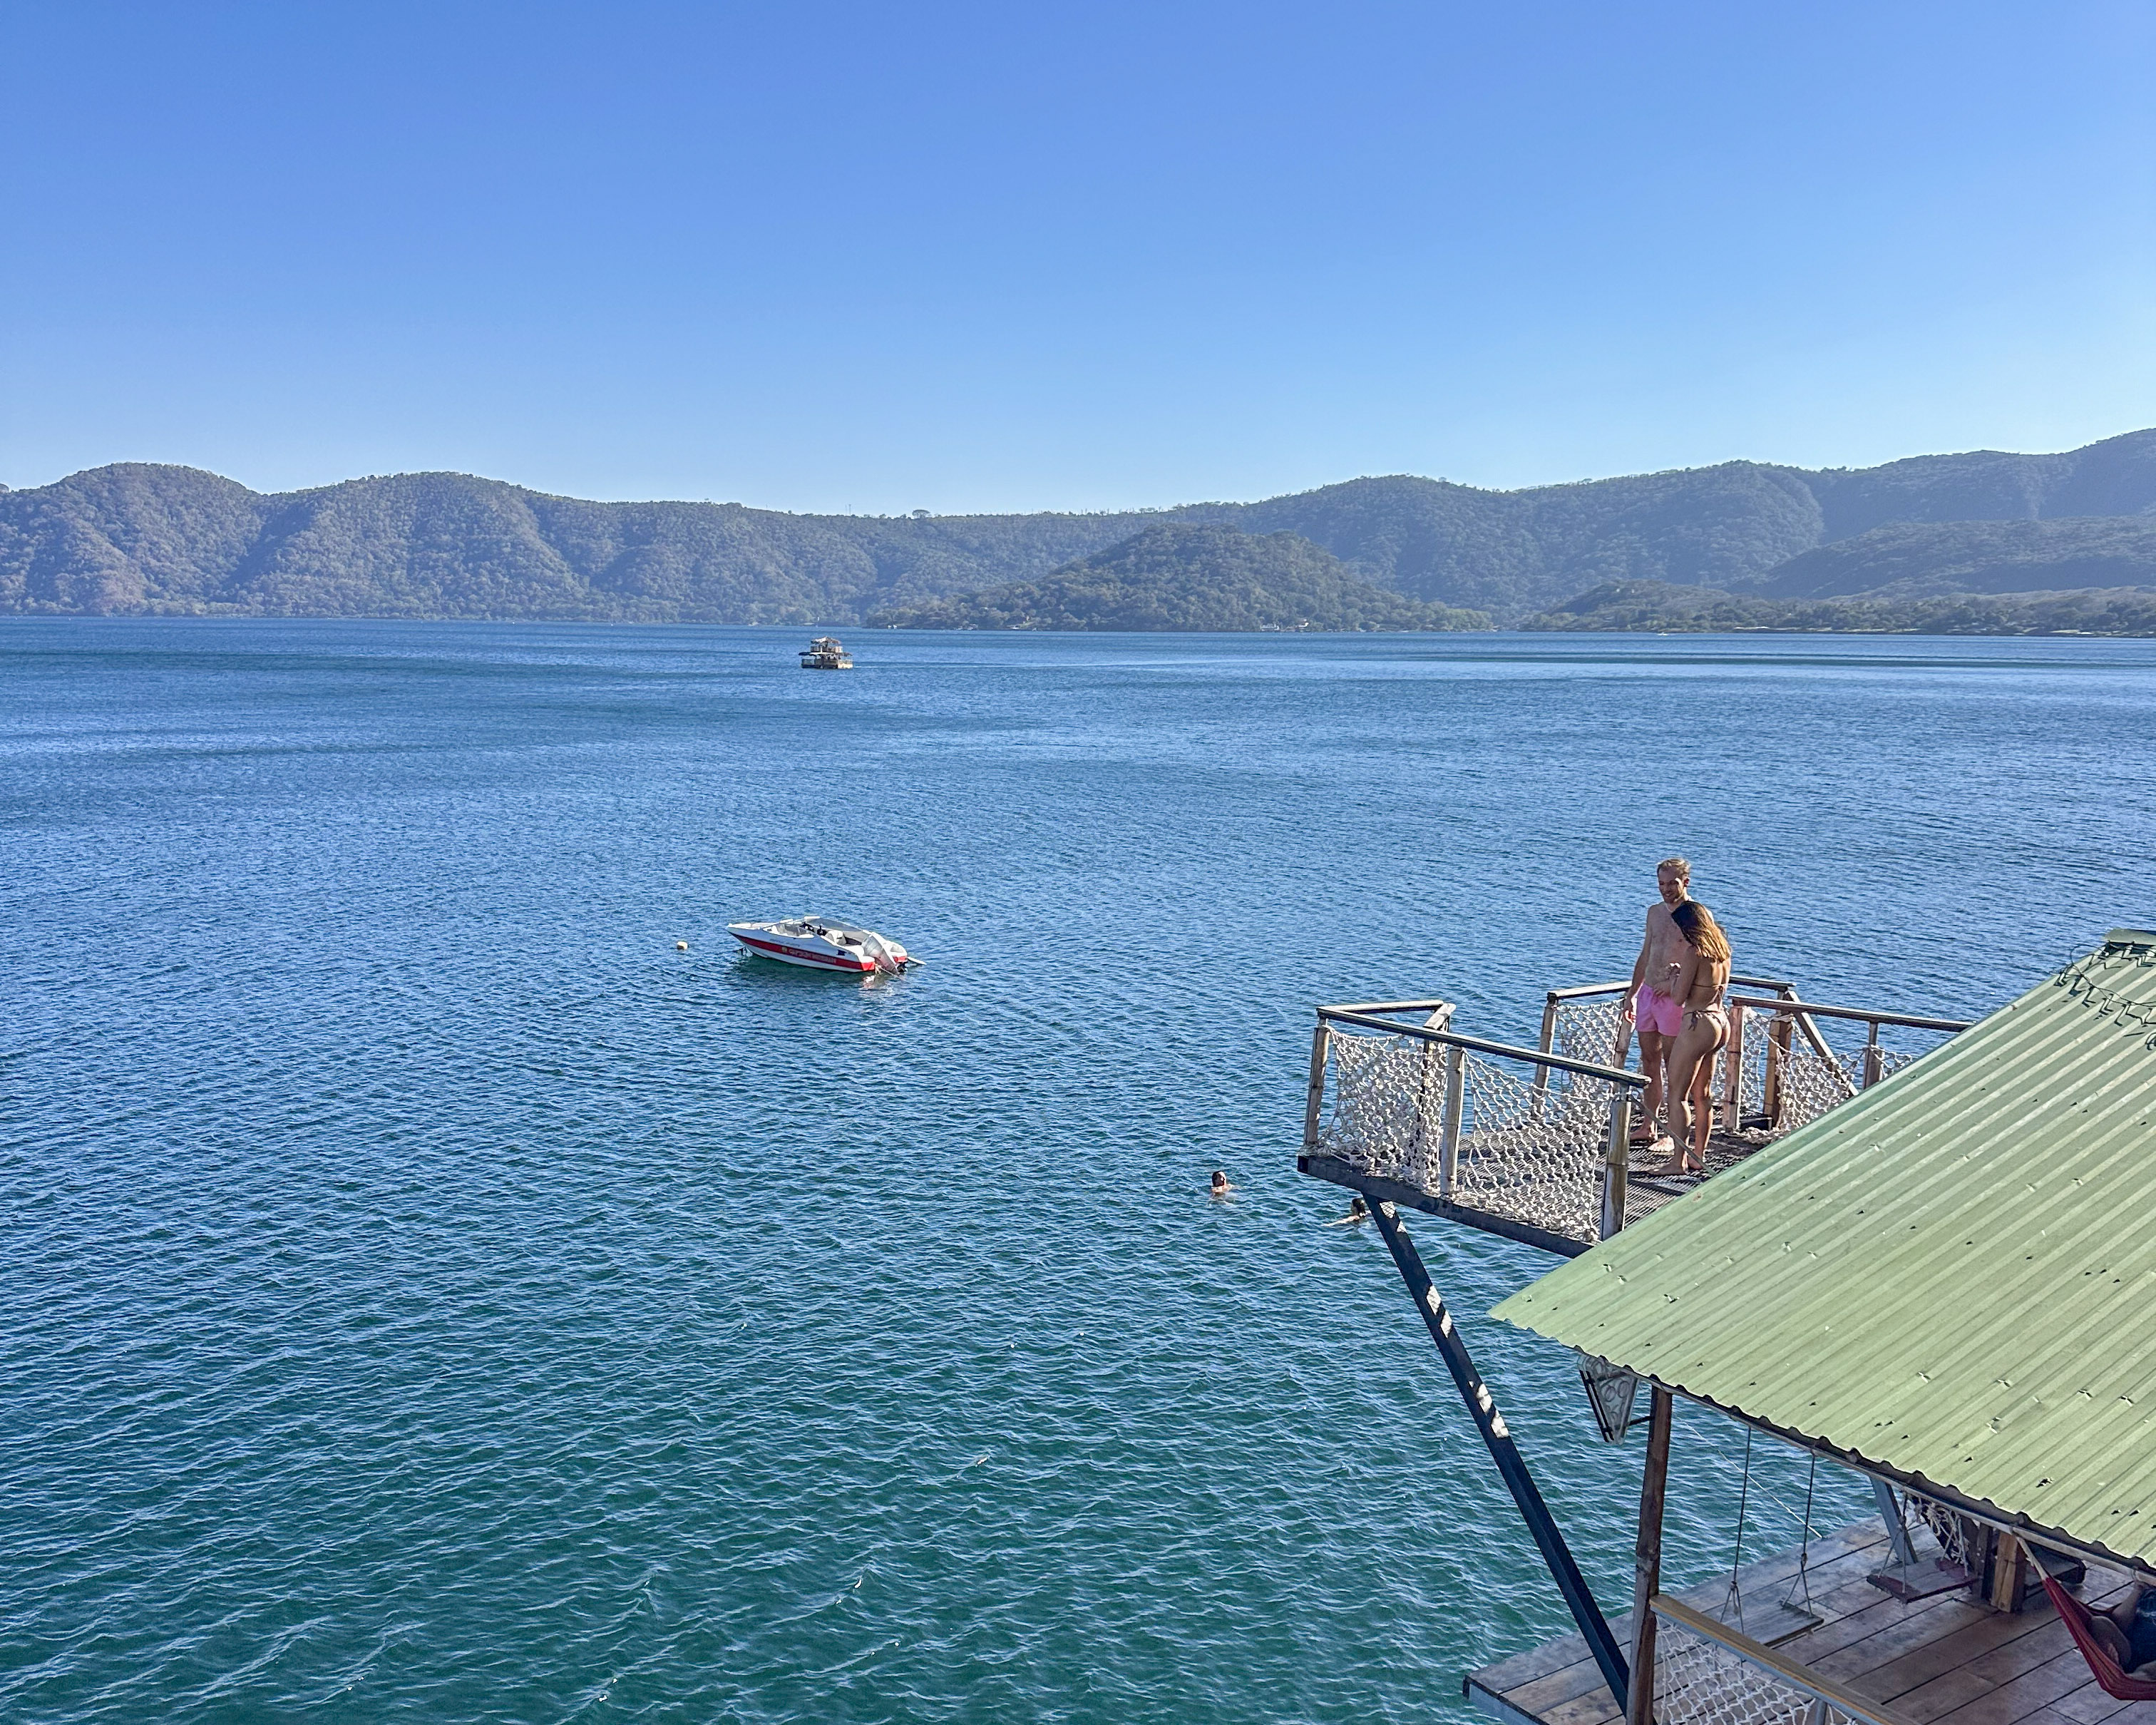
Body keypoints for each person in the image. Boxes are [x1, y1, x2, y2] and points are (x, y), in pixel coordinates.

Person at [1646, 899, 1732, 1177]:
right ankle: (1699, 1156)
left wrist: (1673, 977)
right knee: (1703, 1095)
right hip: (1720, 1020)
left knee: (1677, 1095)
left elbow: (1681, 996)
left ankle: (1677, 1162)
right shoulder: (1722, 950)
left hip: (1697, 1023)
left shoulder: (1695, 953)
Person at [1621, 857, 1693, 1145]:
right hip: (1649, 994)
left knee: (1673, 1064)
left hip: (1674, 999)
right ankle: (1649, 1124)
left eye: (1672, 883)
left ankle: (1672, 1134)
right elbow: (1646, 954)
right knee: (1649, 1061)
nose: (1666, 889)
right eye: (1661, 884)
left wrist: (1672, 983)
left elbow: (1704, 958)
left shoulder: (1695, 916)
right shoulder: (1654, 913)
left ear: (1685, 882)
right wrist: (1632, 994)